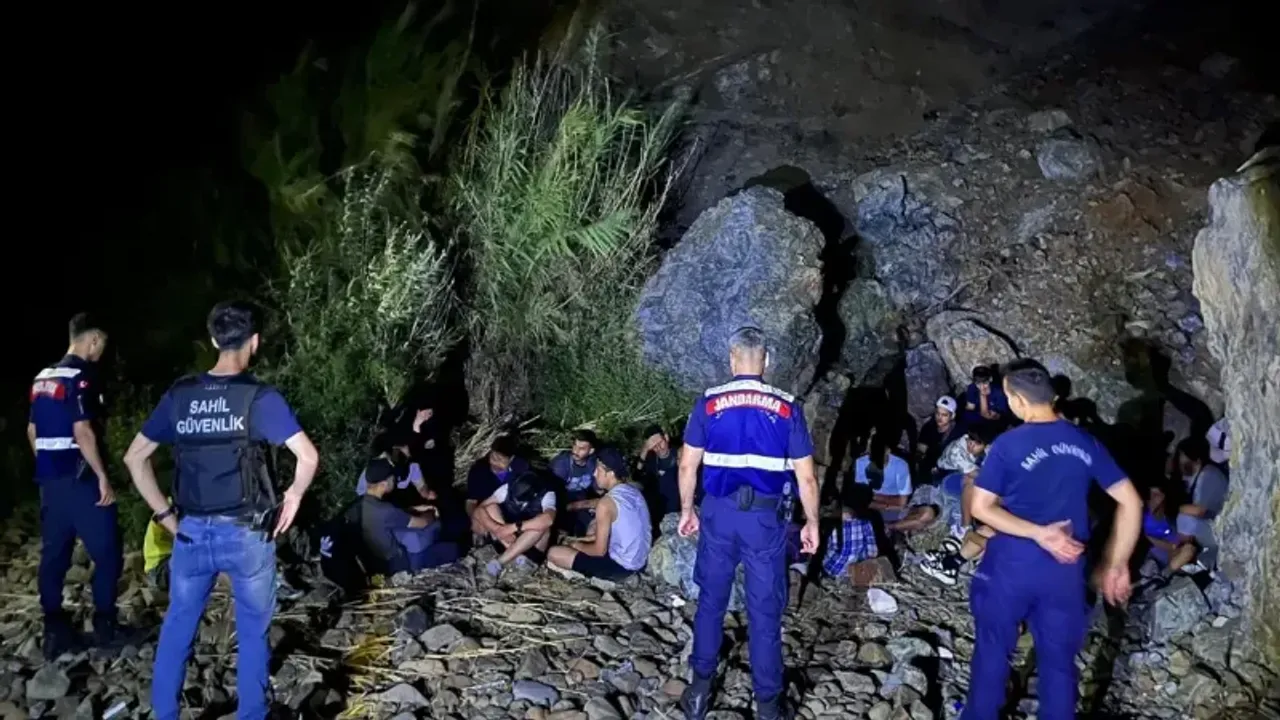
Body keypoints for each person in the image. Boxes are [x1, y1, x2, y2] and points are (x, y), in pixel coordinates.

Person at [122, 301, 319, 720]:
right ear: (255, 341)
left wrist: (164, 516)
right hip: (247, 534)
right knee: (252, 635)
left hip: (190, 532)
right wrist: (294, 495)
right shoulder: (260, 398)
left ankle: (164, 714)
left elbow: (134, 458)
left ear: (213, 341)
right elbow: (308, 456)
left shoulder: (180, 395)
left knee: (177, 630)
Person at [960, 359, 1141, 720]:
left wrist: (1039, 533)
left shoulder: (1009, 444)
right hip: (1065, 569)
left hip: (1010, 568)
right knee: (1058, 664)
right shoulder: (1084, 441)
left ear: (1018, 401)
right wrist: (1117, 563)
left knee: (993, 653)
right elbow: (1131, 502)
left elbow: (981, 507)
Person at [677, 327, 820, 720]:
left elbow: (687, 465)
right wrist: (811, 522)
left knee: (711, 602)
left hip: (718, 514)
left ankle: (699, 692)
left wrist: (688, 510)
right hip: (764, 519)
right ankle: (769, 706)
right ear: (766, 361)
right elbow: (807, 478)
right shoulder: (787, 407)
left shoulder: (708, 403)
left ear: (732, 359)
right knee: (764, 612)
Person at [28, 313, 136, 658]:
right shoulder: (81, 376)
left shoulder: (43, 378)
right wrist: (102, 476)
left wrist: (48, 464)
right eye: (101, 345)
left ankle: (55, 629)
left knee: (54, 555)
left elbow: (32, 431)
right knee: (107, 552)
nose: (101, 352)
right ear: (93, 340)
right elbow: (83, 431)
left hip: (50, 481)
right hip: (80, 479)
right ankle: (105, 624)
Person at [548, 448, 652, 580]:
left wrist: (575, 545)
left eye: (598, 470)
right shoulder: (633, 491)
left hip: (621, 568)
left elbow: (599, 551)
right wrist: (575, 506)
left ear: (611, 473)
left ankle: (585, 576)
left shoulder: (606, 504)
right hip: (640, 561)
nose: (594, 474)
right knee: (594, 525)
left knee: (554, 553)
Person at [360, 457, 458, 574]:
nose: (395, 480)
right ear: (383, 484)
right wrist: (432, 512)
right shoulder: (386, 510)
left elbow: (394, 516)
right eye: (392, 478)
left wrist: (414, 509)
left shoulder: (365, 503)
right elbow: (422, 523)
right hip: (401, 563)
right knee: (452, 548)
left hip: (379, 558)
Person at [471, 469, 558, 577]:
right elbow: (479, 509)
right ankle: (512, 552)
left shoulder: (547, 494)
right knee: (490, 508)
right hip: (507, 540)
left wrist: (514, 527)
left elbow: (549, 519)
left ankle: (500, 562)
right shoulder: (507, 488)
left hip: (530, 544)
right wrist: (496, 529)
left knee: (542, 526)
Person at [1171, 436, 1230, 572]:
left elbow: (1200, 511)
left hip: (1222, 530)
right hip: (1212, 526)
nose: (1180, 462)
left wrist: (1177, 509)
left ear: (1196, 459)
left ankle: (1186, 557)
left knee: (1184, 519)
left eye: (1184, 458)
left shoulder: (1209, 475)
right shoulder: (1195, 478)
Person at [466, 435, 530, 518]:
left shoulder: (520, 468)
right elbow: (471, 502)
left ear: (511, 459)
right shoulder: (478, 471)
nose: (496, 463)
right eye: (493, 457)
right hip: (488, 516)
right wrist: (476, 519)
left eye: (501, 459)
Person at [550, 429, 599, 535]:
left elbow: (597, 488)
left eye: (581, 448)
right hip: (563, 503)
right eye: (575, 446)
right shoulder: (562, 464)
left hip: (582, 502)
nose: (575, 451)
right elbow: (554, 493)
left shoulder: (593, 463)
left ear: (591, 451)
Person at [916, 396, 964, 482]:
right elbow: (921, 451)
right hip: (928, 470)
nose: (939, 417)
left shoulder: (958, 433)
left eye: (944, 415)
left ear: (952, 416)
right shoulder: (928, 427)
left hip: (948, 471)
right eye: (937, 413)